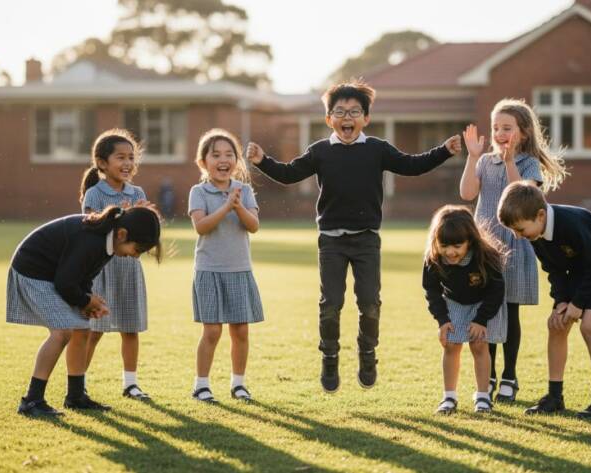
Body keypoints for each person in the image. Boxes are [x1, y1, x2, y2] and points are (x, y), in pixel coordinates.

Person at [247, 79, 462, 393]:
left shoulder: (377, 149)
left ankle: (367, 352)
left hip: (366, 240)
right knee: (330, 304)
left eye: (354, 112)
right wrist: (262, 161)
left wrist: (444, 151)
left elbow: (411, 165)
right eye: (339, 112)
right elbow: (289, 173)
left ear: (366, 119)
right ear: (329, 119)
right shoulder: (320, 151)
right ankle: (330, 357)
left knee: (370, 303)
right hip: (331, 241)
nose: (347, 117)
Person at [459, 98, 567, 401]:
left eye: (507, 127)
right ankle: (489, 375)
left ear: (523, 132)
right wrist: (472, 157)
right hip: (487, 248)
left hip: (515, 245)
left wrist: (508, 162)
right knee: (487, 311)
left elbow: (522, 198)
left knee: (510, 310)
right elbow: (467, 193)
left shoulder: (528, 164)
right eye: (495, 127)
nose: (500, 132)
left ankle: (510, 375)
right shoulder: (483, 161)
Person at [8, 205, 162, 416]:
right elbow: (65, 282)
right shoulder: (93, 240)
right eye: (138, 250)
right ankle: (32, 401)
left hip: (55, 274)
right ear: (122, 234)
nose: (136, 257)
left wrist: (87, 302)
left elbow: (84, 275)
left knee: (82, 329)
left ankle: (76, 397)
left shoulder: (109, 244)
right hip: (32, 271)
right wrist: (84, 300)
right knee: (62, 332)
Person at [498, 182, 591, 418]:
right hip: (581, 268)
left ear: (540, 215)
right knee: (557, 324)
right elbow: (554, 270)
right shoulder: (535, 235)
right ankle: (555, 397)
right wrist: (561, 302)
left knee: (589, 326)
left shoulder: (572, 223)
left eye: (520, 230)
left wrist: (578, 304)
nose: (518, 237)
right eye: (514, 232)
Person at [188, 129, 263, 403]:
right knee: (212, 331)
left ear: (237, 161)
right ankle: (201, 385)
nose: (223, 159)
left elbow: (253, 226)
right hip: (209, 270)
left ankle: (239, 384)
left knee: (240, 330)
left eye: (229, 154)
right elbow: (201, 226)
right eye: (216, 154)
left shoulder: (244, 191)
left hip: (239, 270)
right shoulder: (198, 191)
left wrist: (238, 205)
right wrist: (225, 208)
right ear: (203, 162)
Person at [80, 129, 153, 400]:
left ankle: (130, 384)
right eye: (120, 157)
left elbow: (142, 236)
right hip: (101, 271)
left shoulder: (137, 192)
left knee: (130, 328)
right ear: (102, 163)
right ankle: (79, 382)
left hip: (129, 270)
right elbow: (91, 234)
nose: (127, 163)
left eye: (131, 157)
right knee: (94, 331)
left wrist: (144, 218)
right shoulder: (94, 195)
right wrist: (119, 218)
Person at [422, 205, 506, 414]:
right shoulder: (433, 258)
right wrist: (442, 320)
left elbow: (496, 291)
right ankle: (449, 397)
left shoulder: (486, 256)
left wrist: (481, 319)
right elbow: (431, 290)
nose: (450, 252)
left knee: (479, 345)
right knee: (450, 345)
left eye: (458, 245)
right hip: (454, 302)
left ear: (470, 240)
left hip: (483, 303)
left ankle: (483, 397)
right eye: (445, 245)